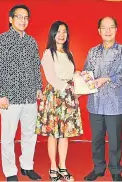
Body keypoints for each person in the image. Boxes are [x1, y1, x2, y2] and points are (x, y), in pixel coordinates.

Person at [0, 4, 42, 181]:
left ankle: (27, 166)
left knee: (30, 134)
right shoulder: (1, 40)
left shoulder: (31, 41)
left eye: (26, 17)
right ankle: (10, 171)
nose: (23, 20)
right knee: (8, 136)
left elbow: (36, 67)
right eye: (19, 17)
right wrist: (0, 94)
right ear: (10, 19)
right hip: (9, 98)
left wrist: (38, 88)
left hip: (29, 96)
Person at [83, 17, 122, 181]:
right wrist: (83, 76)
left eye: (111, 27)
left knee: (115, 141)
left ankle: (116, 170)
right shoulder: (92, 51)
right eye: (104, 28)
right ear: (99, 31)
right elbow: (87, 72)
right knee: (96, 139)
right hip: (95, 104)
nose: (108, 31)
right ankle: (98, 168)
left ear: (116, 30)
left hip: (115, 104)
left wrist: (107, 78)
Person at [35, 21, 83, 181]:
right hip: (55, 96)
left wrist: (81, 83)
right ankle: (53, 167)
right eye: (58, 31)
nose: (62, 35)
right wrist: (69, 88)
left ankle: (63, 166)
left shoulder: (69, 54)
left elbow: (72, 75)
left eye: (65, 32)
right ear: (53, 34)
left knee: (65, 134)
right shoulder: (49, 53)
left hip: (68, 97)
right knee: (53, 134)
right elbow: (51, 77)